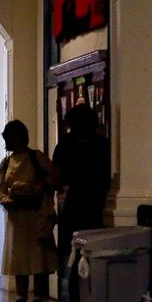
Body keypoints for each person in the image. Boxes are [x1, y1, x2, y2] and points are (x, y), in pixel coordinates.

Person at [0, 119, 55, 302]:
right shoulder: (6, 163)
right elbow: (1, 189)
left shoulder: (36, 158)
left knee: (38, 262)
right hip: (17, 218)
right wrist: (7, 200)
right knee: (19, 262)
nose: (7, 140)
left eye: (10, 136)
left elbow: (54, 177)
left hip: (36, 217)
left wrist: (40, 187)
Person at [51, 103, 112, 252]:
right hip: (96, 201)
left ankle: (69, 274)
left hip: (73, 201)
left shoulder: (65, 145)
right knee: (92, 246)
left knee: (71, 247)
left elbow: (56, 177)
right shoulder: (103, 145)